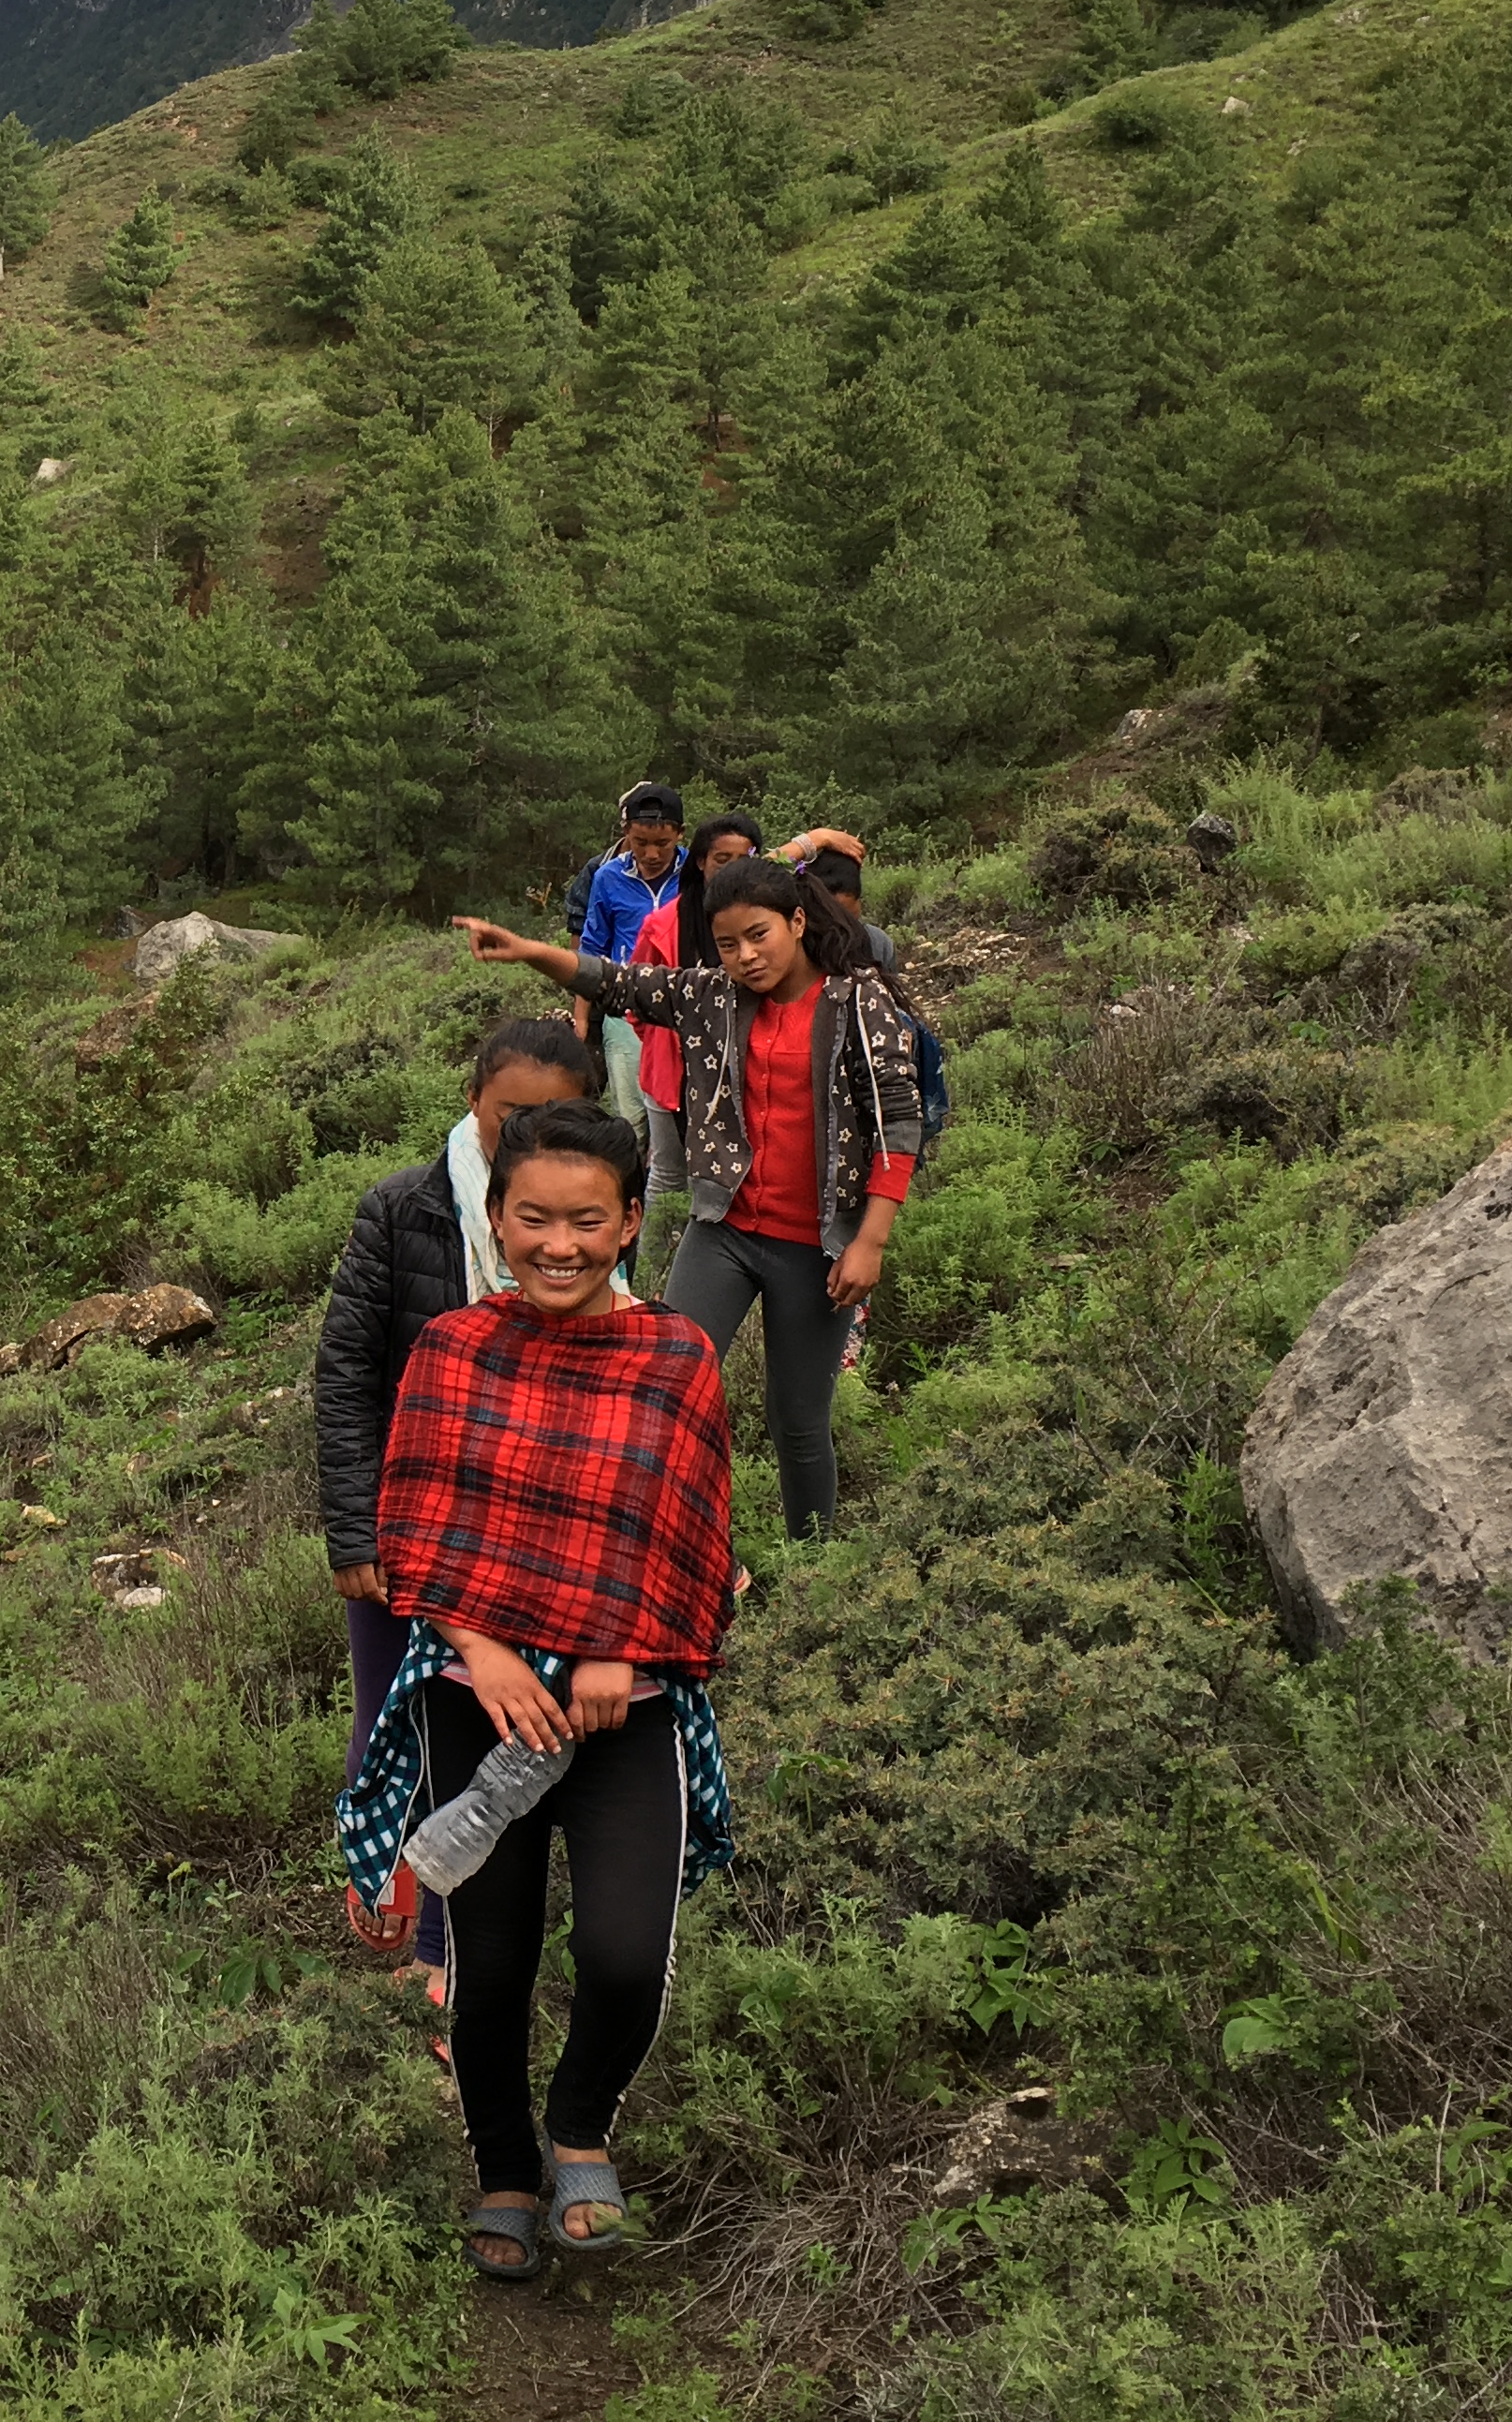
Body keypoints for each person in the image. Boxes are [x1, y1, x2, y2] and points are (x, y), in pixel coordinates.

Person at [334, 1100, 736, 2281]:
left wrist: (627, 1649)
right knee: (491, 1964)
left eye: (587, 1222)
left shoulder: (676, 1358)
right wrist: (486, 1647)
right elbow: (416, 1519)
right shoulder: (454, 1350)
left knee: (623, 1954)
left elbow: (693, 1531)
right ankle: (505, 2168)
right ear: (497, 1220)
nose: (559, 1245)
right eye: (533, 1220)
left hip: (627, 1713)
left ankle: (580, 2125)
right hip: (481, 1699)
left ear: (631, 1222)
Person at [455, 858, 925, 1541]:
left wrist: (870, 1240)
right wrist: (530, 951)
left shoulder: (856, 1002)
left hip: (813, 1244)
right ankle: (667, 1542)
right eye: (728, 944)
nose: (746, 957)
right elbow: (617, 982)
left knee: (797, 1420)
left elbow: (898, 1123)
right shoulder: (712, 997)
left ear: (797, 922)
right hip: (724, 1230)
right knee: (662, 1387)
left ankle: (813, 1564)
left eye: (759, 936)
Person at [316, 1017, 606, 1966]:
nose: (528, 1135)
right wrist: (355, 1532)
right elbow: (347, 1377)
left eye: (556, 1117)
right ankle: (381, 1872)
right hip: (410, 1522)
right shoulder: (402, 1210)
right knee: (387, 1708)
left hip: (528, 1527)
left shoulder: (590, 1215)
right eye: (510, 1115)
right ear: (473, 1098)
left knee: (483, 1729)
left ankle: (447, 1950)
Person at [632, 812, 764, 1291]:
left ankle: (716, 1274)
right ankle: (647, 1276)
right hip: (671, 1075)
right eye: (721, 859)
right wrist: (670, 1045)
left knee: (723, 1176)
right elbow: (637, 999)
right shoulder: (663, 924)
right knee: (668, 1174)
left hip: (744, 1072)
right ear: (700, 863)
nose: (732, 869)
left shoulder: (766, 920)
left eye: (743, 859)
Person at [574, 782, 684, 1130]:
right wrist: (581, 1020)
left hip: (684, 1008)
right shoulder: (608, 878)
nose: (651, 854)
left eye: (662, 843)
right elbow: (592, 947)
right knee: (631, 1117)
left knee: (679, 1111)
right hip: (625, 1010)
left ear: (680, 834)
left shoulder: (696, 874)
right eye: (641, 842)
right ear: (626, 834)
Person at [778, 825, 898, 969]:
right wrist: (817, 838)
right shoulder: (794, 945)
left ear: (859, 903)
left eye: (848, 919)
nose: (840, 931)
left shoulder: (878, 945)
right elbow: (756, 873)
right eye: (828, 918)